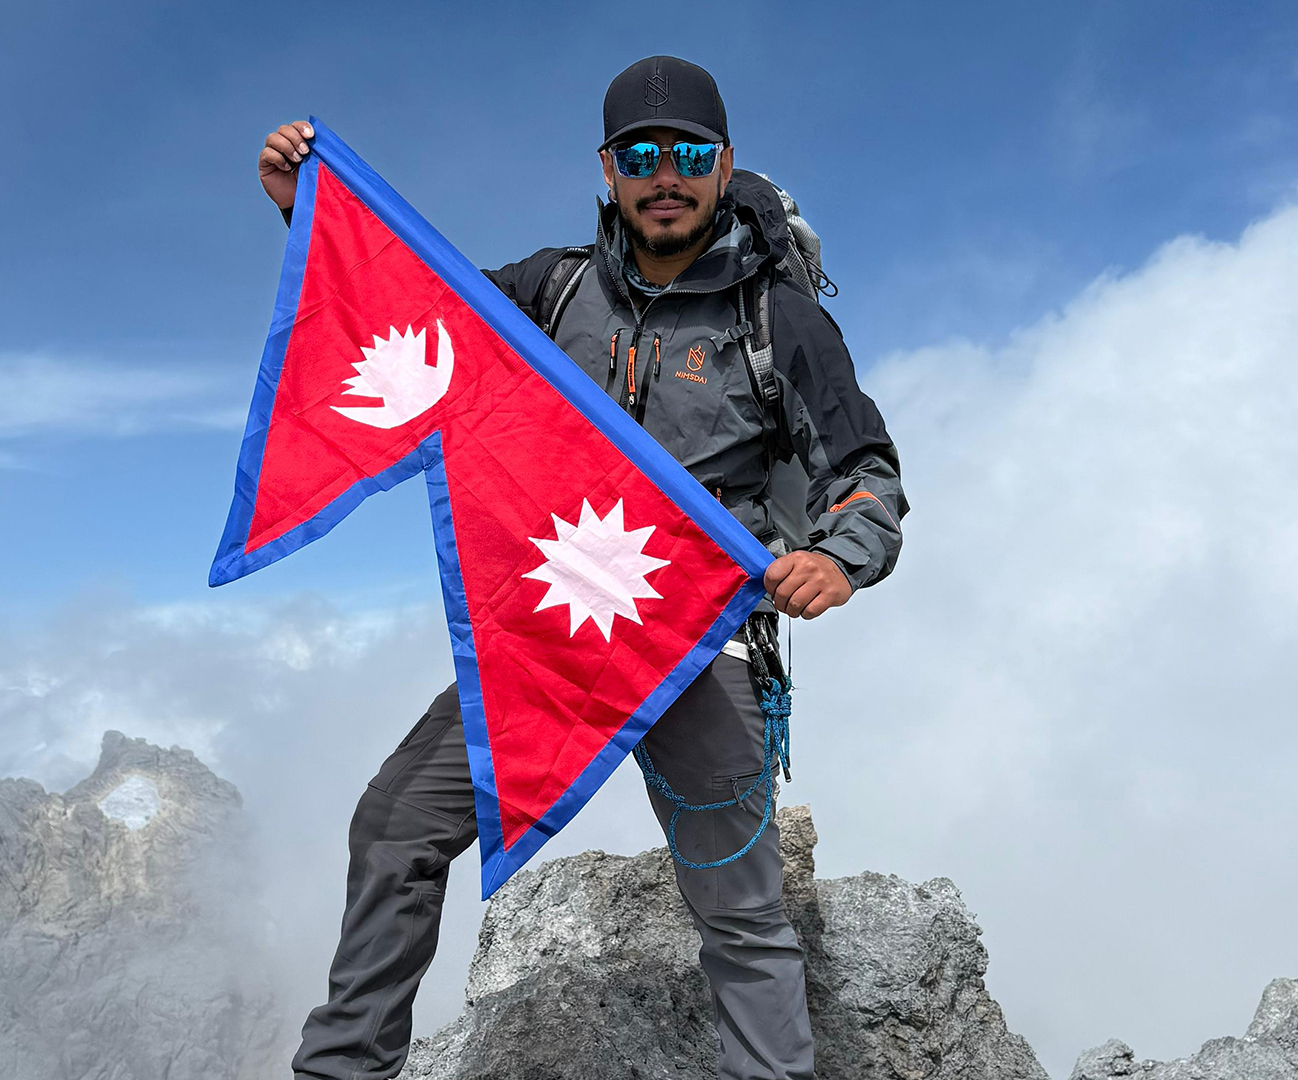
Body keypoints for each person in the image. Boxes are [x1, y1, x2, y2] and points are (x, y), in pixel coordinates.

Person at [257, 55, 906, 1080]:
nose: (665, 174)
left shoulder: (781, 319)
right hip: (552, 631)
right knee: (394, 828)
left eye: (689, 154)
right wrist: (315, 217)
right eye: (641, 155)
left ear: (723, 165)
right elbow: (422, 322)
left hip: (700, 638)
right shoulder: (552, 287)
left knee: (740, 914)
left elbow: (864, 470)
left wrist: (838, 555)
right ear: (608, 169)